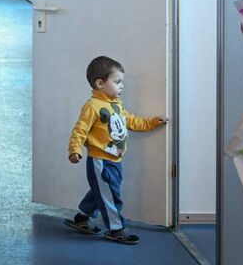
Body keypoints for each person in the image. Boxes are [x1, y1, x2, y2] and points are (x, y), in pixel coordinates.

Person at [64, 55, 168, 245]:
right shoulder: (93, 107)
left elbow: (132, 121)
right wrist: (75, 149)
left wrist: (153, 122)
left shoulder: (116, 104)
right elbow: (80, 130)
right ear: (100, 83)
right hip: (100, 160)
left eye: (122, 82)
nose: (122, 86)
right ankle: (116, 229)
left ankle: (81, 218)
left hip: (115, 160)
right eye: (117, 82)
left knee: (102, 191)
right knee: (111, 195)